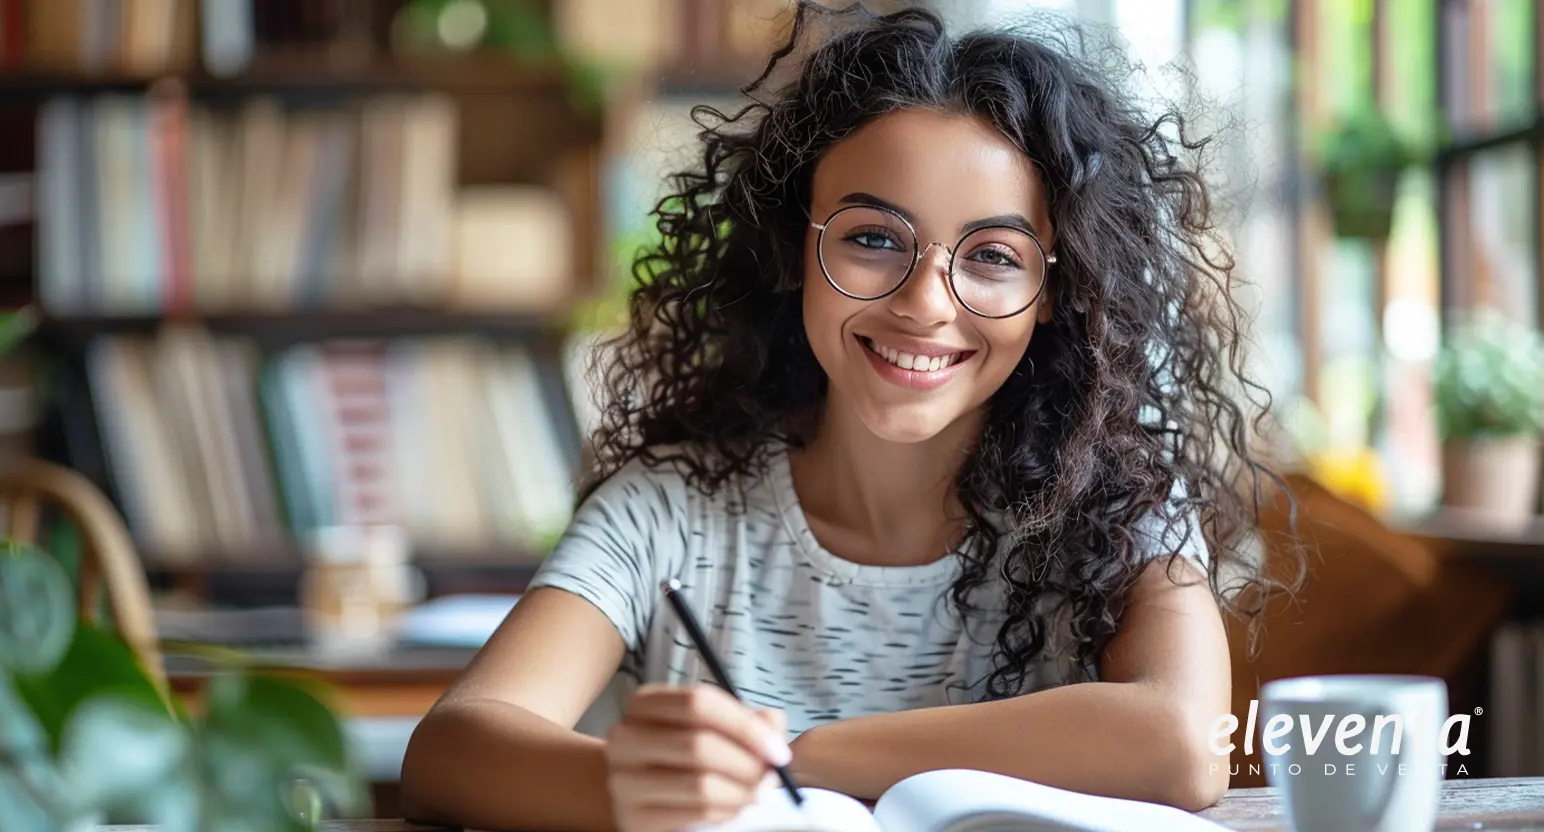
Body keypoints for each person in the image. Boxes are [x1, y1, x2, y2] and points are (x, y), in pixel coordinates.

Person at [400, 3, 1292, 830]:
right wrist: (623, 786)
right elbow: (450, 748)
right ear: (796, 246)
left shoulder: (1119, 505)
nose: (925, 304)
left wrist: (807, 757)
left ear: (1057, 292)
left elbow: (1184, 742)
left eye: (992, 256)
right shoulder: (668, 511)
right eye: (872, 239)